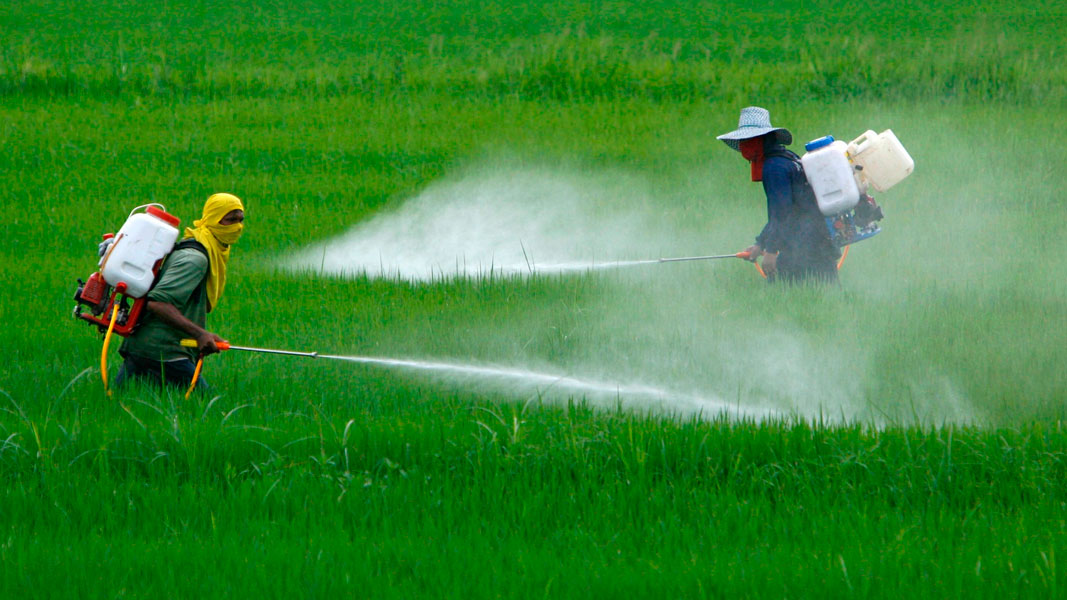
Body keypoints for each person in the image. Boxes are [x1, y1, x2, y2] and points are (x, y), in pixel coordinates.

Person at [115, 193, 246, 390]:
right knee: (206, 409)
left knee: (126, 401)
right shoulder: (195, 259)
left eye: (240, 220)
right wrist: (200, 334)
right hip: (164, 351)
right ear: (212, 219)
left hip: (146, 347)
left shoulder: (205, 249)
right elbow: (158, 303)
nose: (237, 227)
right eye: (229, 220)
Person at [717, 106, 840, 283]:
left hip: (803, 246)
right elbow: (781, 213)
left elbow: (782, 213)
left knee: (783, 296)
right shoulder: (788, 158)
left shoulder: (774, 168)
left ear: (761, 139)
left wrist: (771, 251)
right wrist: (760, 244)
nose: (744, 146)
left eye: (748, 139)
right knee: (826, 296)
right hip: (819, 240)